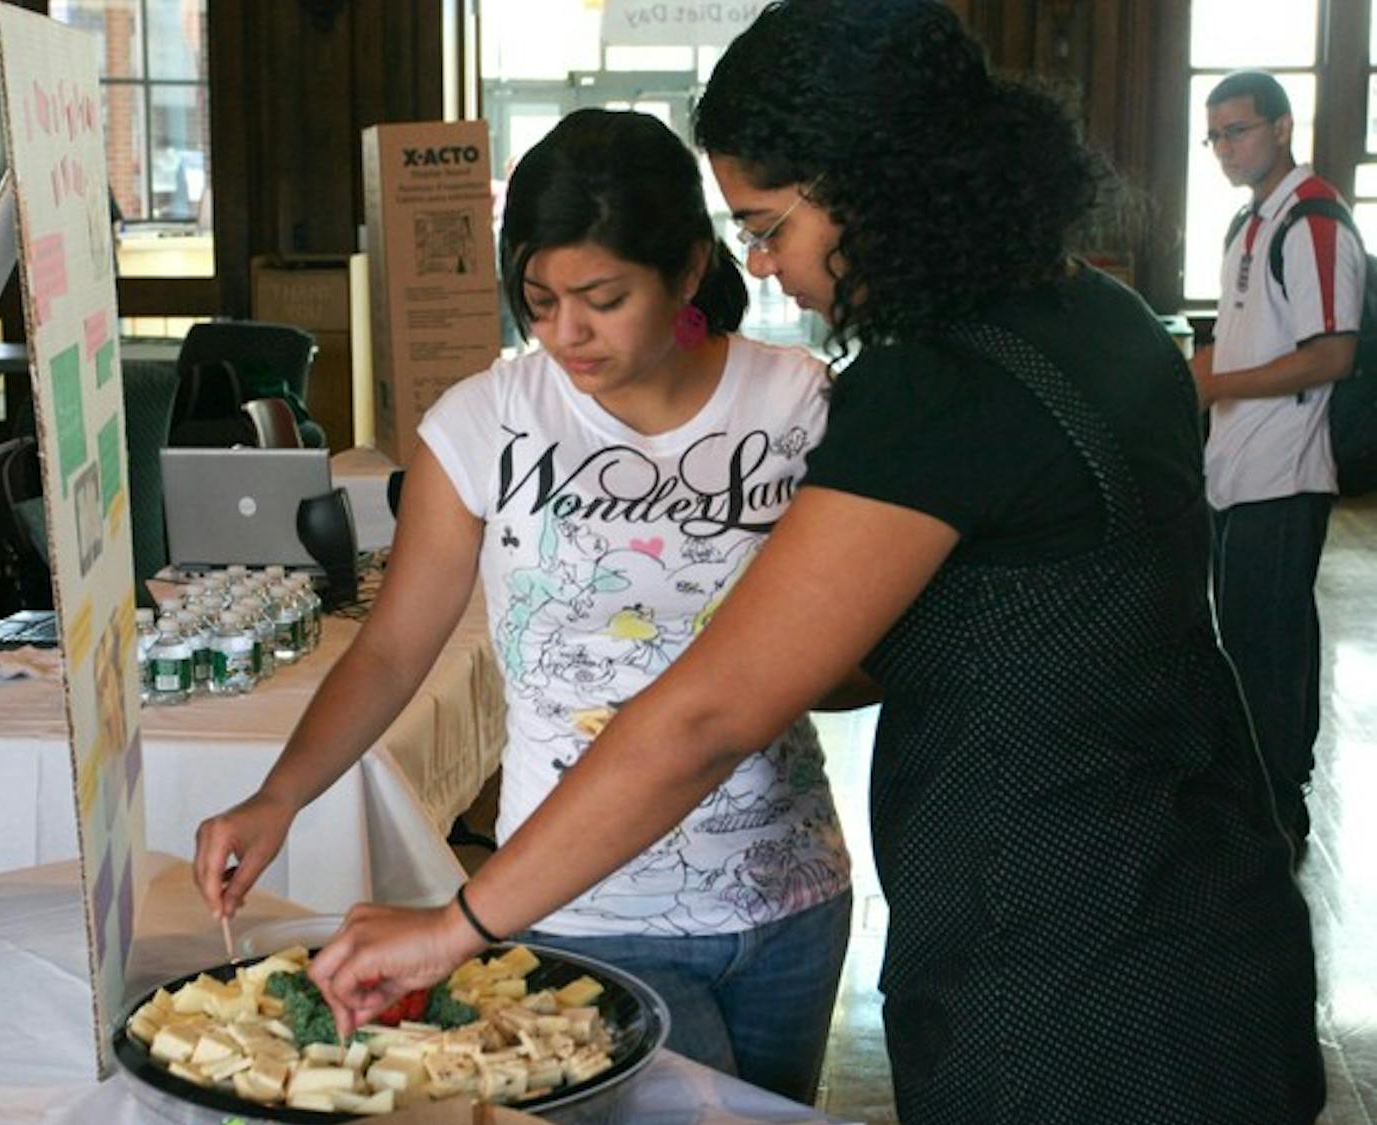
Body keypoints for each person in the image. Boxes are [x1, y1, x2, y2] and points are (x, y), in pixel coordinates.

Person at [299, 4, 1328, 1123]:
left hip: (1066, 973)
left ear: (874, 187)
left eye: (768, 222)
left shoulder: (934, 389)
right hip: (1205, 911)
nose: (765, 264)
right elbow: (942, 639)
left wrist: (455, 927)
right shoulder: (1103, 317)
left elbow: (711, 721)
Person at [194, 107, 852, 1103]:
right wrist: (278, 794)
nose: (565, 334)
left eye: (602, 298)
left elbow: (848, 647)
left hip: (786, 894)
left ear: (685, 270)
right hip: (582, 904)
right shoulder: (487, 421)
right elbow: (391, 650)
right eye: (538, 300)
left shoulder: (797, 404)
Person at [1191, 70, 1363, 856]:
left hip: (1289, 472)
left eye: (1240, 130)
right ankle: (1258, 804)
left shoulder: (1316, 221)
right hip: (1237, 466)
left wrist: (1215, 383)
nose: (1226, 148)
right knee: (1249, 643)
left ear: (1282, 127)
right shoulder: (1249, 223)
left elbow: (1331, 355)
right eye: (1216, 134)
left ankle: (1278, 817)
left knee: (1270, 649)